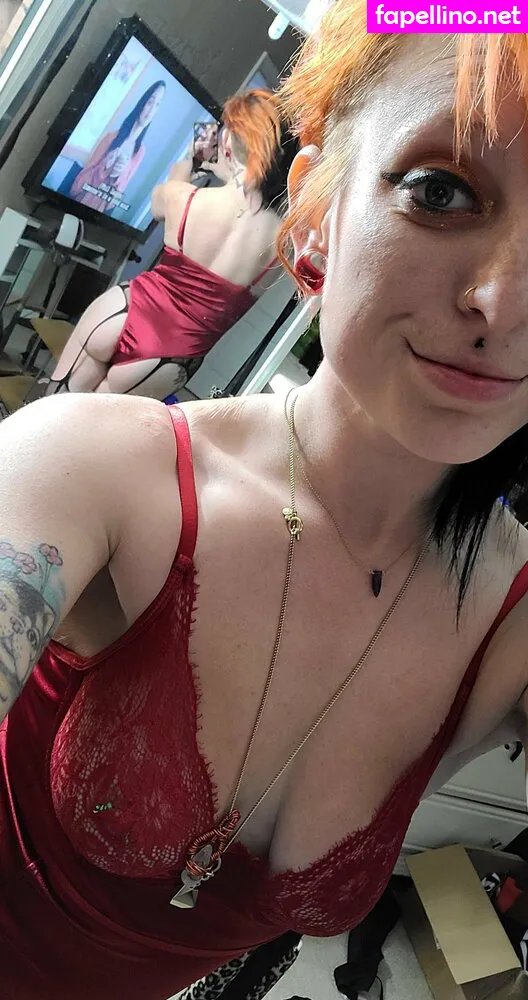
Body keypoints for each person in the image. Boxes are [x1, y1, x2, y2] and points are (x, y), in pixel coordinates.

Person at [2, 7, 528, 998]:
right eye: (442, 189)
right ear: (318, 211)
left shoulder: (512, 620)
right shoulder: (87, 468)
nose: (504, 303)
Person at [48, 89, 298, 400]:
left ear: (227, 141)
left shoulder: (184, 198)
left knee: (48, 409)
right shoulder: (281, 247)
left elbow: (160, 198)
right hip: (167, 360)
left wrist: (191, 159)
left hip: (120, 312)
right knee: (95, 428)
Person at [69, 81, 167, 214]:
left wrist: (120, 175)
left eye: (157, 105)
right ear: (142, 103)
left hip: (96, 216)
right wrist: (104, 166)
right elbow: (75, 187)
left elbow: (111, 204)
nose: (151, 110)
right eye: (150, 102)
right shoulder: (111, 138)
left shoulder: (140, 152)